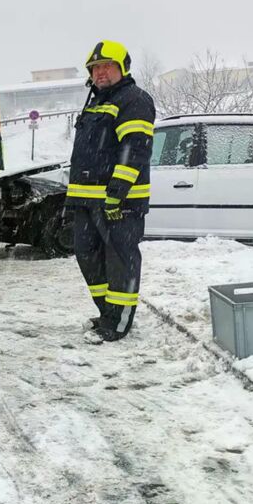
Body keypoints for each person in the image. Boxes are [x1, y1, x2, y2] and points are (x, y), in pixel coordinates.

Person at [67, 40, 156, 342]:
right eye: (94, 68)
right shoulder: (95, 102)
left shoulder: (134, 100)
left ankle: (119, 322)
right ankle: (107, 312)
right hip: (87, 200)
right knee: (88, 256)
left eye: (106, 66)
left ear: (122, 68)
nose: (100, 72)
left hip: (120, 202)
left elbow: (135, 150)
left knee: (120, 260)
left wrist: (117, 193)